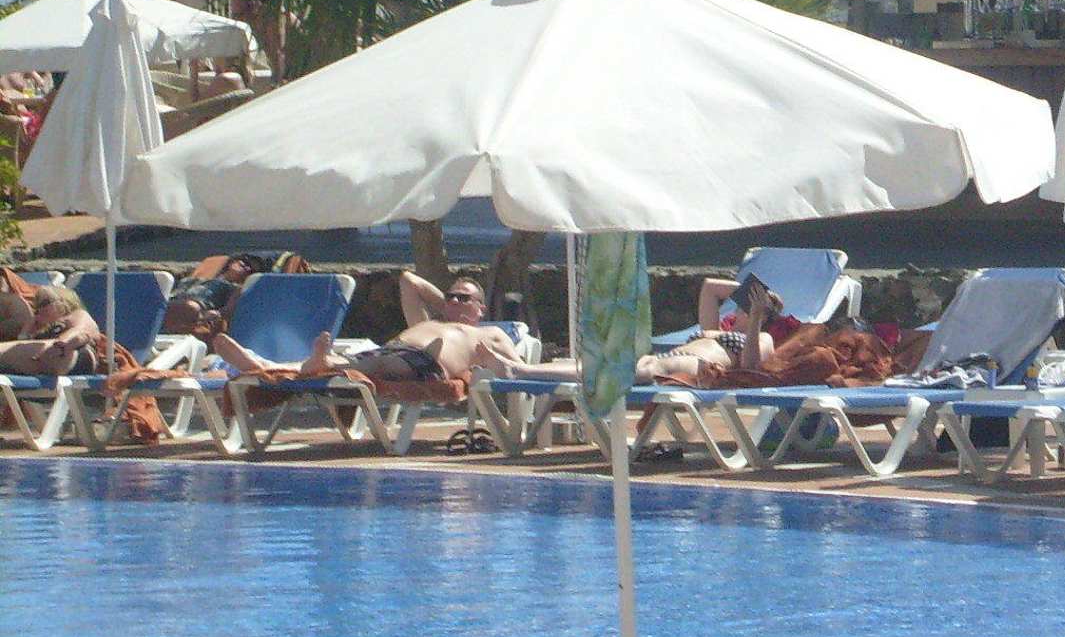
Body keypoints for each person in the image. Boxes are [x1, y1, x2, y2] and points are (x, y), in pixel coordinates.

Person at [215, 269, 520, 385]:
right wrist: (448, 308)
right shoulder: (428, 323)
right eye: (450, 296)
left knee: (371, 363)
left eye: (462, 298)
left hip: (424, 363)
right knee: (356, 358)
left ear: (481, 308)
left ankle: (312, 364)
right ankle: (266, 365)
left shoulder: (489, 334)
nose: (453, 300)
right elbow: (409, 280)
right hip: (392, 352)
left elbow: (517, 368)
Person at [499, 274, 786, 388]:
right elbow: (710, 287)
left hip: (696, 365)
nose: (741, 309)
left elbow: (750, 366)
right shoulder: (715, 330)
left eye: (747, 307)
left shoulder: (762, 337)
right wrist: (751, 292)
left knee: (635, 371)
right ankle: (524, 369)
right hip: (670, 357)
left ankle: (522, 371)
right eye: (744, 305)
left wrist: (759, 313)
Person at [0, 284, 100, 375]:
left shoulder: (76, 314)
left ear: (63, 302)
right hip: (49, 359)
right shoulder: (40, 329)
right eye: (37, 306)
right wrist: (27, 328)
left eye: (44, 303)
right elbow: (20, 345)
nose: (39, 309)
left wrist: (60, 345)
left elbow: (82, 332)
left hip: (73, 353)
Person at [162, 254, 263, 337]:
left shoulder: (235, 288)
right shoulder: (197, 277)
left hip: (195, 309)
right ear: (232, 262)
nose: (247, 268)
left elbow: (228, 309)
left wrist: (218, 313)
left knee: (190, 307)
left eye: (251, 270)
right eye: (245, 262)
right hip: (171, 302)